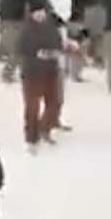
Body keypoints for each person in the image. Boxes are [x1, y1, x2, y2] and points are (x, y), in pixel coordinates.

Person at [18, 8, 63, 151]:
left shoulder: (52, 28)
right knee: (32, 106)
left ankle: (44, 128)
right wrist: (38, 53)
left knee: (54, 102)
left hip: (50, 71)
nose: (40, 15)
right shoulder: (26, 30)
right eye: (37, 12)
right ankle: (31, 135)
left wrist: (54, 52)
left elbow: (59, 44)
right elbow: (21, 48)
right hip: (31, 73)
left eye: (42, 12)